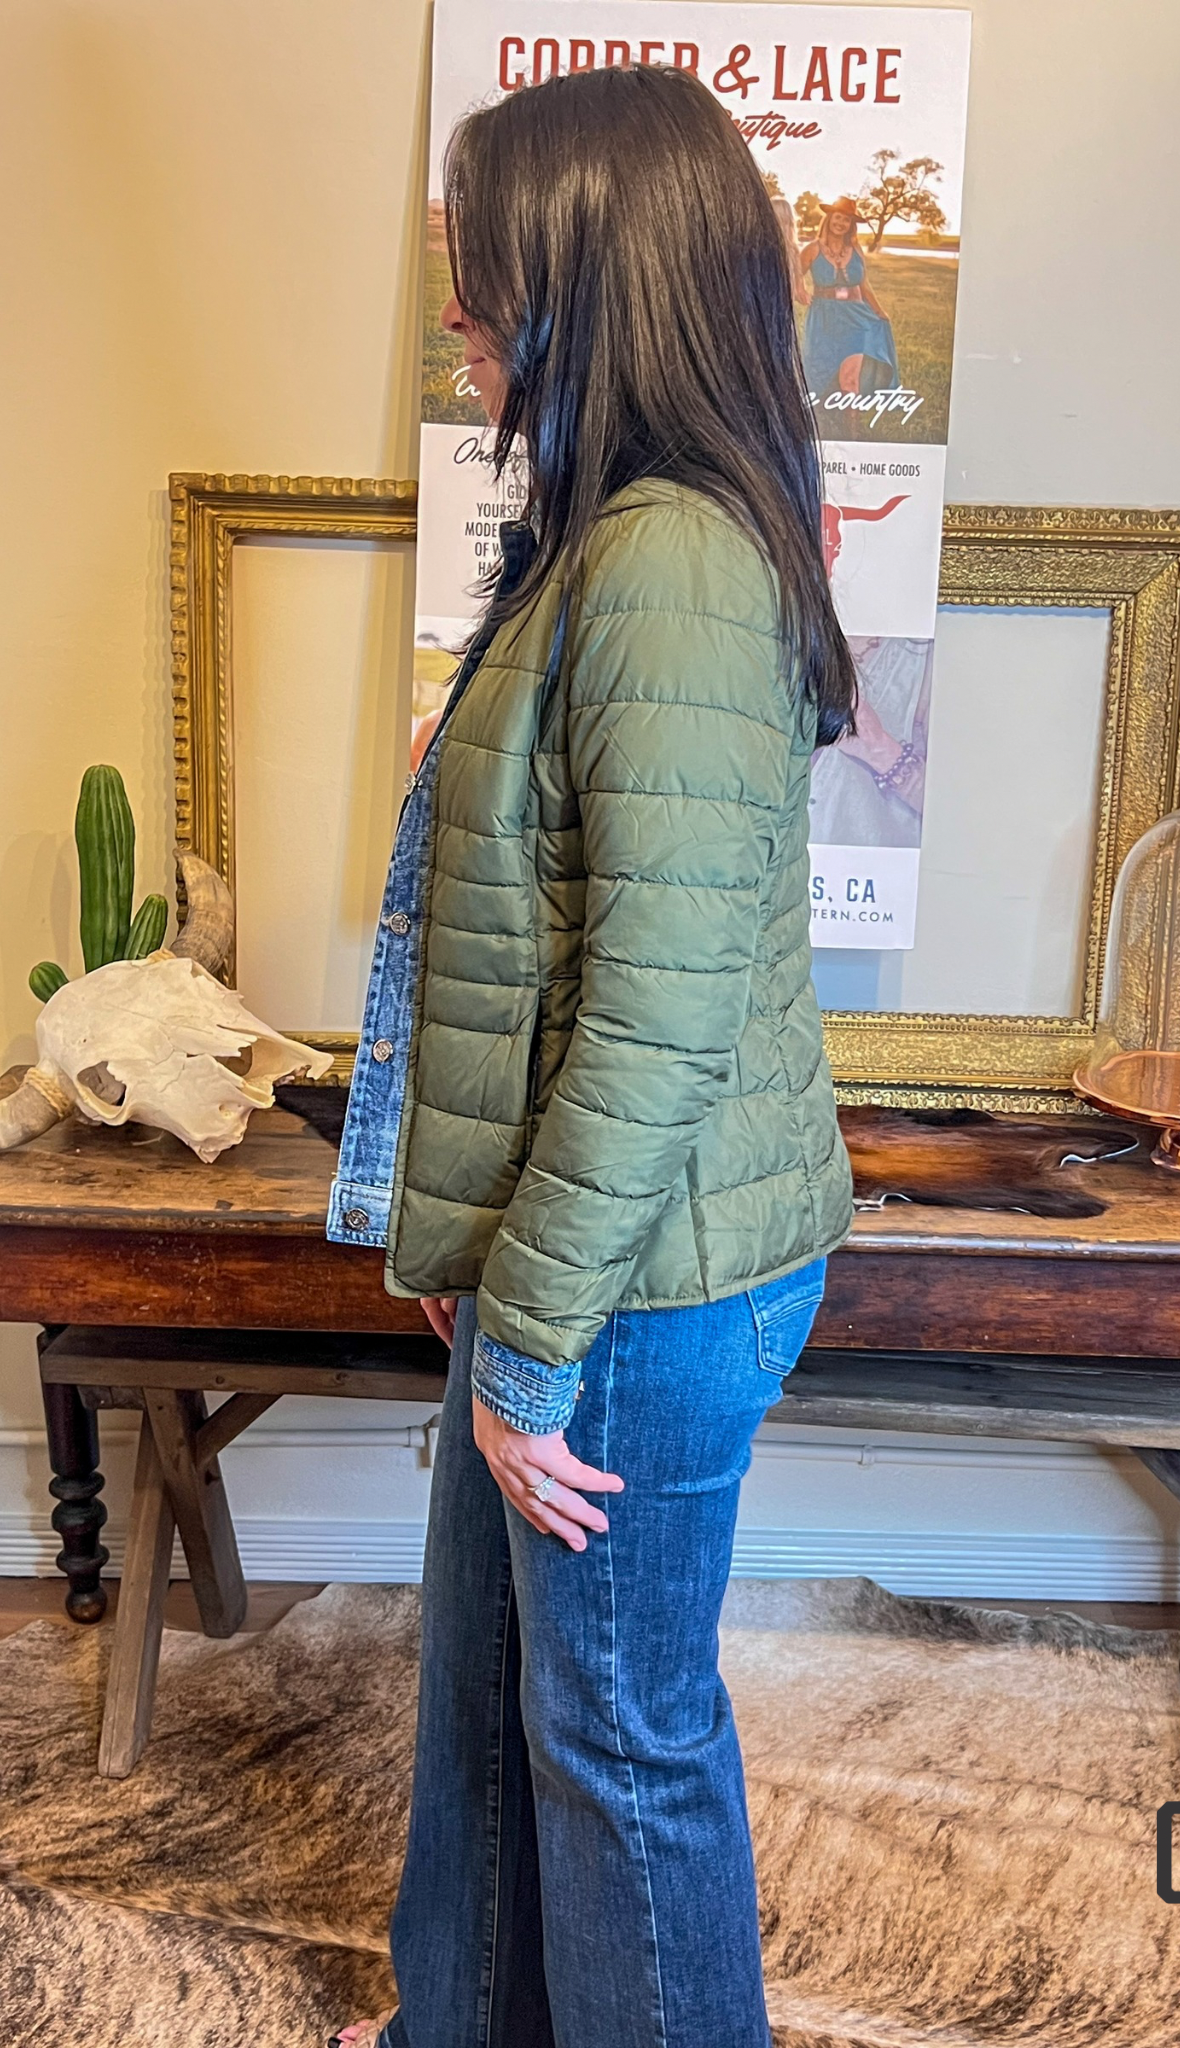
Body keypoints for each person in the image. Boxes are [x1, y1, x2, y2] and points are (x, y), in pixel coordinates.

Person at [326, 60, 856, 2048]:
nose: (458, 328)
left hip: (642, 1278)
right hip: (575, 1256)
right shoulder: (611, 543)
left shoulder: (671, 564)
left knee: (619, 1749)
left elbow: (659, 1003)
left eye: (481, 287)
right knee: (492, 1709)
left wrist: (532, 1330)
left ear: (589, 282)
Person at [799, 195, 900, 398]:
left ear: (851, 225)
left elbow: (864, 284)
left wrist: (879, 311)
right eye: (838, 217)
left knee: (850, 375)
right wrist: (799, 289)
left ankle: (853, 428)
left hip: (856, 315)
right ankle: (819, 413)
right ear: (828, 219)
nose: (841, 223)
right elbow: (792, 275)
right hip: (824, 315)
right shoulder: (812, 249)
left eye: (847, 220)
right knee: (818, 368)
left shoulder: (855, 249)